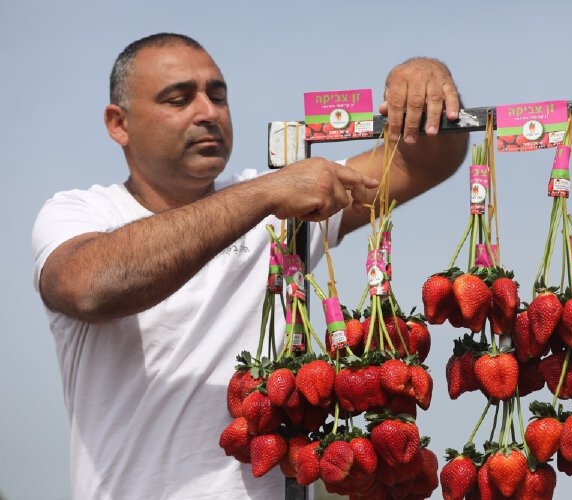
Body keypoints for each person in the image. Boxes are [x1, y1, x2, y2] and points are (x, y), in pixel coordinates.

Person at [31, 33, 468, 499]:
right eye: (179, 99)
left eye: (217, 96)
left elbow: (421, 164)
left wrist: (425, 85)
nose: (208, 113)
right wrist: (266, 193)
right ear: (119, 124)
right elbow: (89, 287)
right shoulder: (81, 213)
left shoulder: (282, 207)